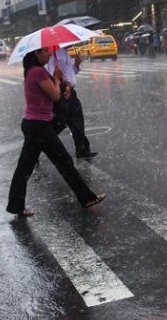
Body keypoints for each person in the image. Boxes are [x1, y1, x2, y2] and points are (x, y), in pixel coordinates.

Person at [7, 47, 106, 217]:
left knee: (24, 168)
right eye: (45, 52)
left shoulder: (35, 71)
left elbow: (52, 91)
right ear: (36, 53)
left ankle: (16, 205)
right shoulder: (37, 72)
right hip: (40, 126)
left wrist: (62, 82)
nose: (48, 54)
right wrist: (58, 79)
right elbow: (54, 95)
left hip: (33, 125)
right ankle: (86, 198)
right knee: (64, 162)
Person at [46, 46, 97, 159]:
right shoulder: (54, 54)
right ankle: (38, 145)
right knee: (61, 123)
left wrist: (77, 64)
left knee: (77, 121)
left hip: (70, 91)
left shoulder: (64, 52)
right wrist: (64, 85)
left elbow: (71, 72)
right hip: (62, 92)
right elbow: (52, 75)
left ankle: (82, 149)